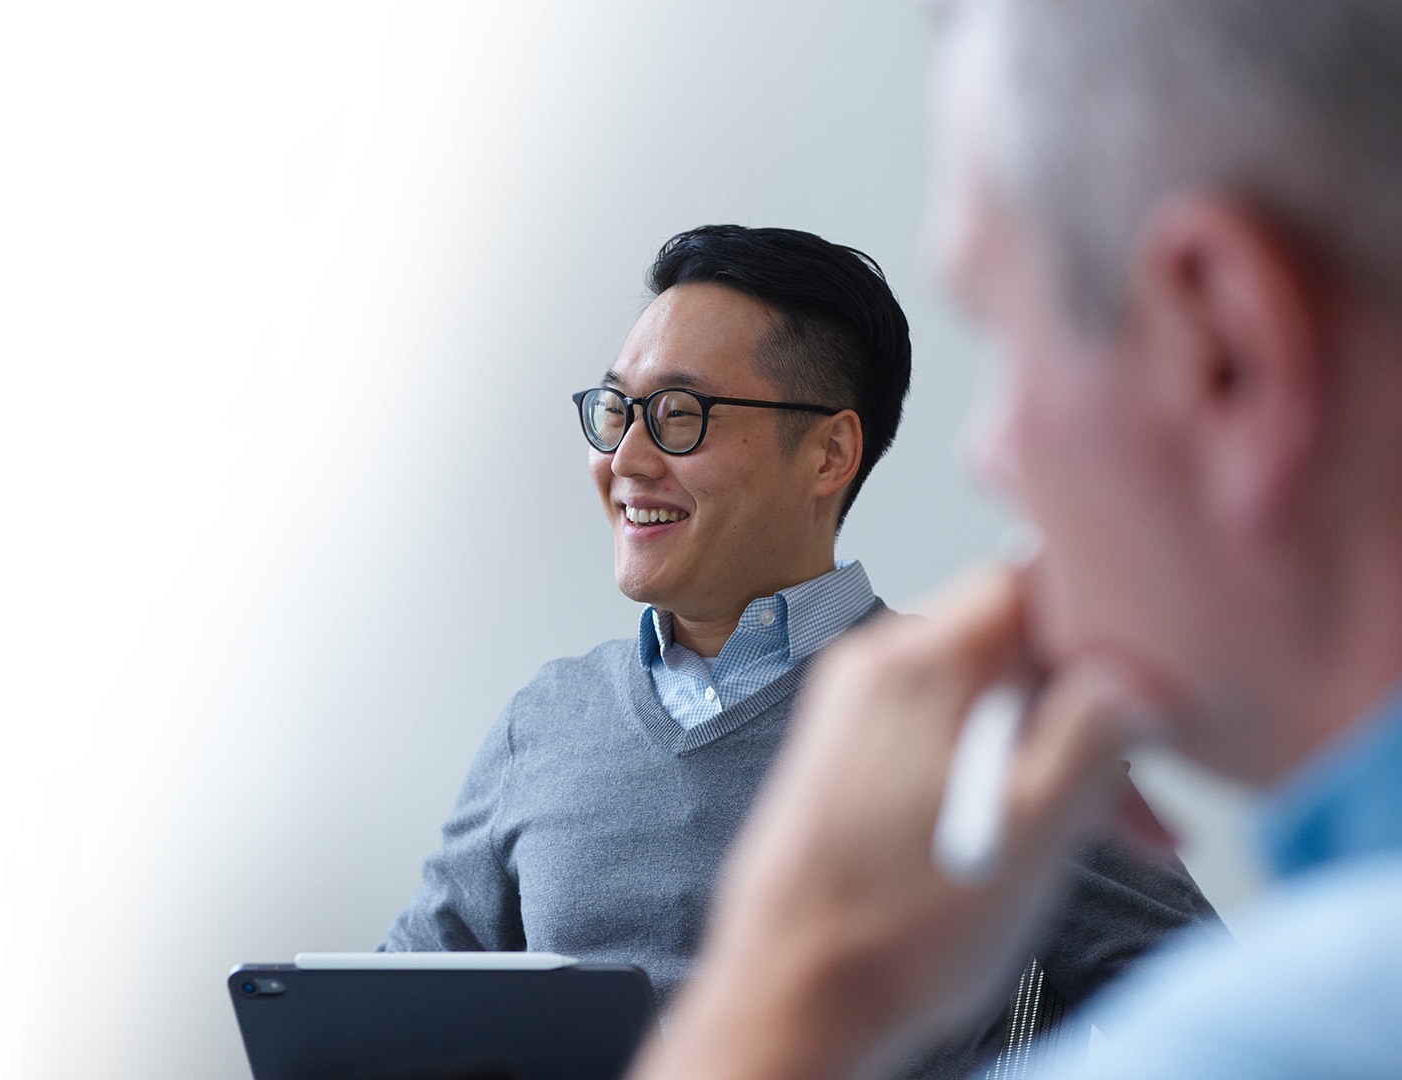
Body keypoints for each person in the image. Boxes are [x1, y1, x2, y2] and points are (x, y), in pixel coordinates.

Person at [631, 2, 1402, 1079]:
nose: (984, 452)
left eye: (999, 325)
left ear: (1226, 351)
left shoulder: (1256, 1042)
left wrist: (787, 996)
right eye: (617, 412)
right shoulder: (541, 724)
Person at [382, 225, 1217, 1078]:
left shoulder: (976, 713)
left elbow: (1215, 1009)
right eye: (617, 411)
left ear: (829, 453)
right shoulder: (546, 722)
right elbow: (375, 1026)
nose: (625, 460)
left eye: (678, 415)